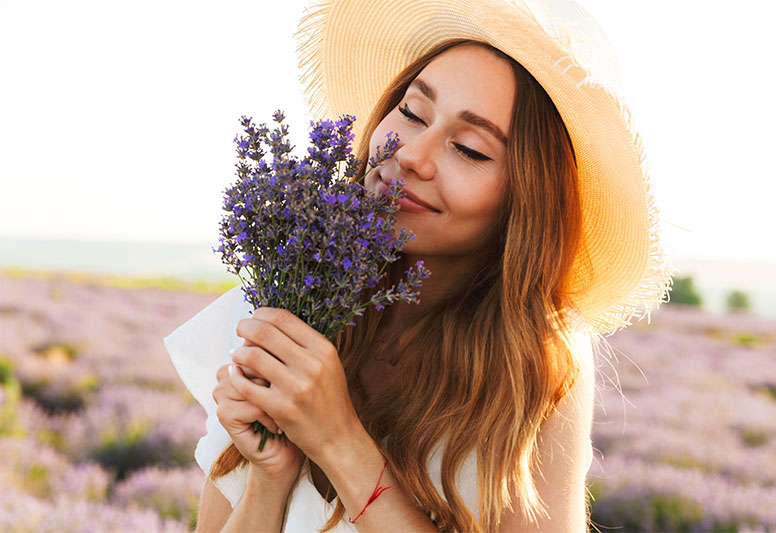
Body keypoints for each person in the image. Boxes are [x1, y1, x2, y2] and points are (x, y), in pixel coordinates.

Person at [164, 1, 673, 531]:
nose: (411, 155)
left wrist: (339, 441)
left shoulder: (537, 363)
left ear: (526, 198)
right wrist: (271, 473)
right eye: (411, 112)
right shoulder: (294, 293)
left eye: (471, 149)